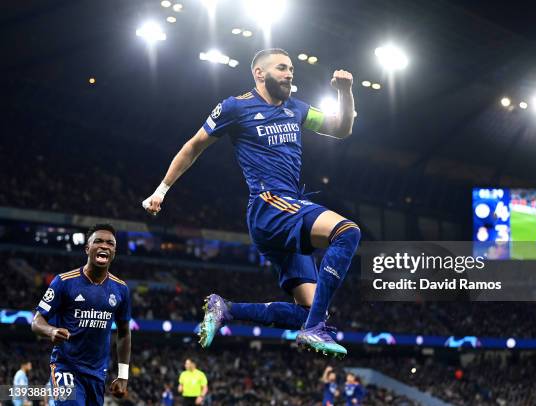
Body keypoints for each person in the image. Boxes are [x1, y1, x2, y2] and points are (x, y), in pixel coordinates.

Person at [142, 48, 359, 358]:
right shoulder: (235, 107)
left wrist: (345, 92)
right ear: (259, 73)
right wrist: (161, 190)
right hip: (269, 205)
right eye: (282, 68)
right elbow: (193, 147)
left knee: (310, 311)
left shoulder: (296, 109)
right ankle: (315, 331)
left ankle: (227, 308)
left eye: (291, 69)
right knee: (348, 231)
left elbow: (341, 128)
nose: (289, 74)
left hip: (288, 211)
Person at [31, 223, 132, 405]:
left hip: (97, 374)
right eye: (98, 241)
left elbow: (124, 332)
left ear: (114, 252)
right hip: (66, 366)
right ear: (87, 248)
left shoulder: (121, 289)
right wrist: (51, 331)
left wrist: (123, 375)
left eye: (110, 243)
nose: (104, 246)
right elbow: (37, 321)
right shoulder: (64, 282)